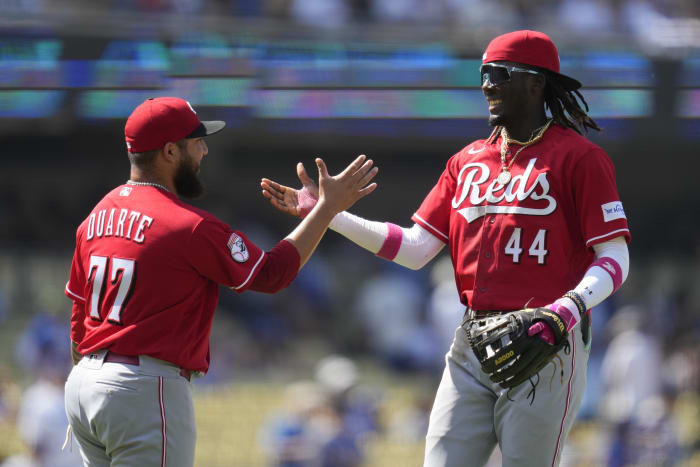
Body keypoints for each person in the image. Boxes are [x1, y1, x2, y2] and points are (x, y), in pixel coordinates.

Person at [261, 30, 631, 466]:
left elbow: (615, 258)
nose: (487, 85)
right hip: (472, 341)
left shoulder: (580, 158)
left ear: (537, 83)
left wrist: (565, 311)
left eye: (499, 74)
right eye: (483, 74)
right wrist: (328, 215)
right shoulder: (466, 161)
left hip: (547, 340)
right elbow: (416, 248)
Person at [63, 96, 378, 467]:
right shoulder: (188, 225)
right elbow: (272, 274)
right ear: (169, 152)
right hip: (142, 387)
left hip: (84, 384)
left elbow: (78, 321)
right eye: (197, 142)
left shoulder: (97, 216)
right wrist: (327, 208)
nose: (205, 150)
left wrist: (93, 380)